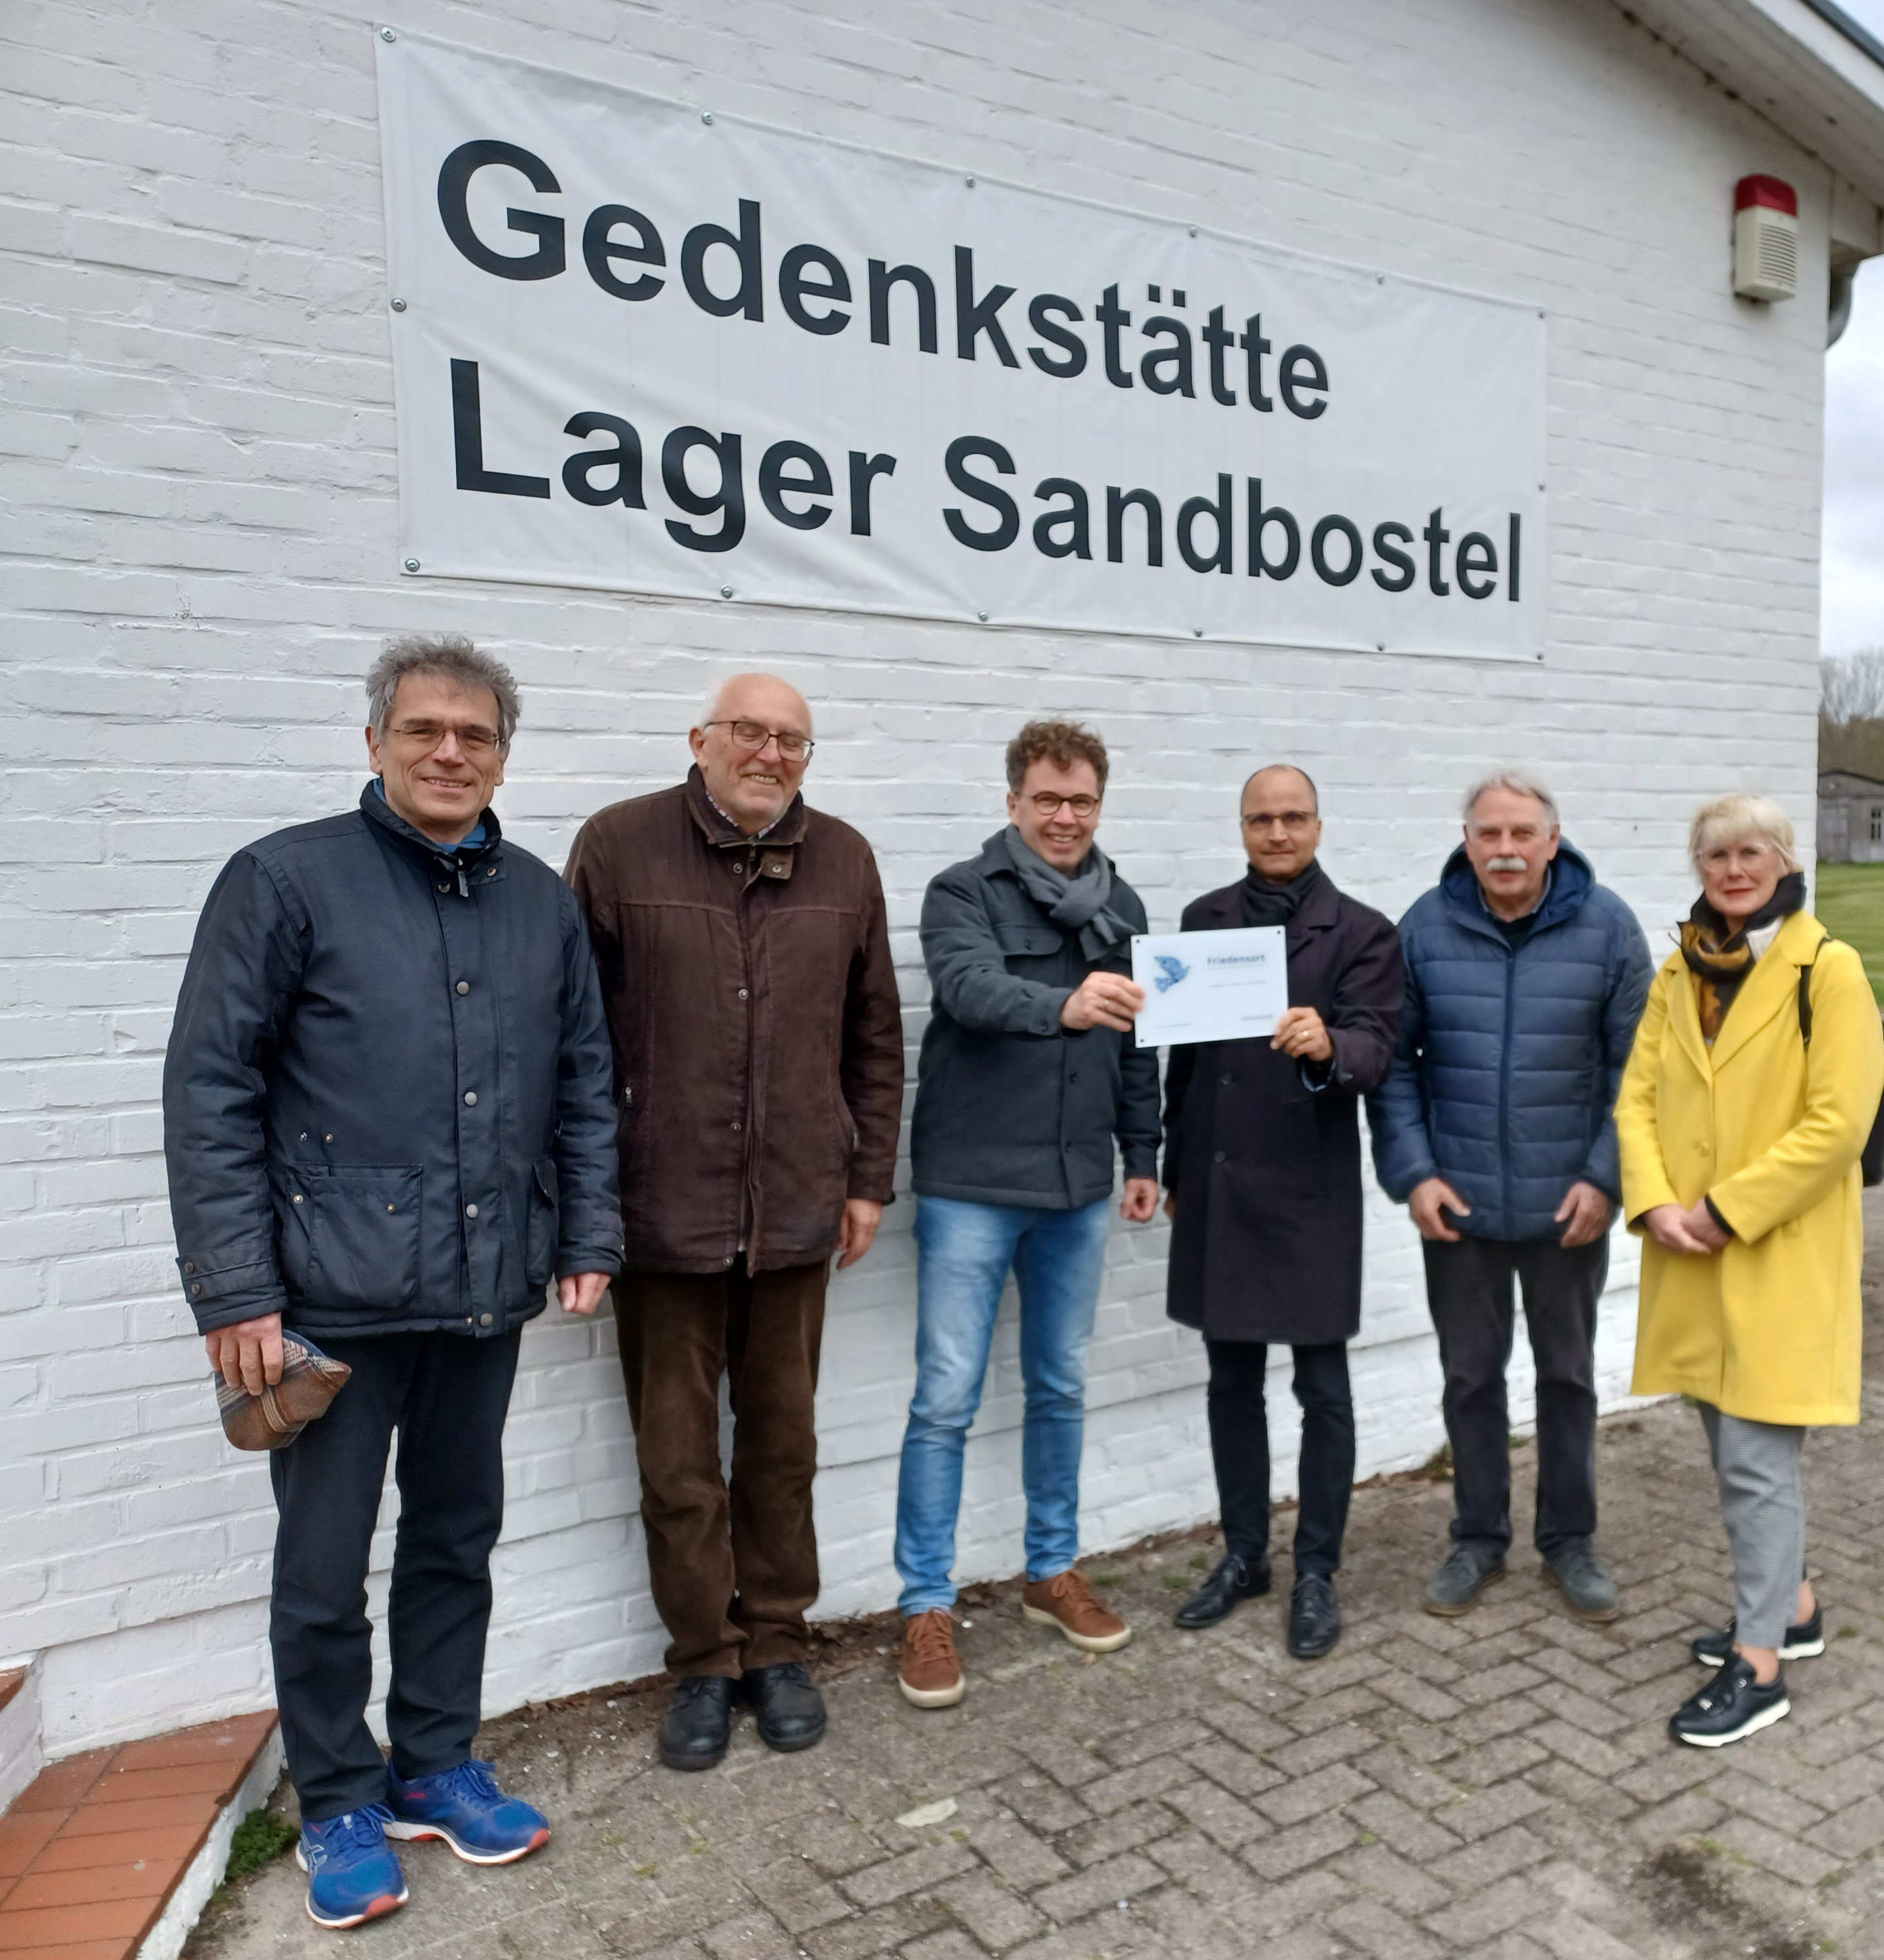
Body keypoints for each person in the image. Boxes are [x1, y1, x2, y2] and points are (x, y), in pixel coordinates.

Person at [164, 637, 621, 1931]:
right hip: (325, 1300)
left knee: (455, 1537)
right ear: (375, 743)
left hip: (485, 1288)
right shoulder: (282, 882)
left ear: (500, 754)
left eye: (473, 736)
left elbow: (584, 1080)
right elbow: (210, 1094)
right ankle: (338, 1801)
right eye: (422, 730)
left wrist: (586, 1236)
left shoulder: (539, 900)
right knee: (322, 1567)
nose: (447, 752)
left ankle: (435, 1763)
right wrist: (237, 1295)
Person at [565, 674, 904, 1773]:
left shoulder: (845, 860)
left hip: (801, 1205)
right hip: (661, 1211)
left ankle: (777, 1645)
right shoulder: (619, 848)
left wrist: (866, 1180)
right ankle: (704, 1664)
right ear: (701, 739)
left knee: (781, 1447)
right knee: (676, 1461)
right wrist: (584, 1206)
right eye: (750, 732)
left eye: (792, 740)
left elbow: (875, 1034)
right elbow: (571, 1041)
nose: (769, 753)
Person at [892, 719, 1161, 1708]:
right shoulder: (961, 893)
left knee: (1060, 1384)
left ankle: (1053, 1572)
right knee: (947, 1398)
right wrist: (1062, 1005)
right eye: (1046, 799)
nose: (1063, 816)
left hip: (1080, 1186)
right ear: (1013, 803)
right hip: (972, 1186)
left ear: (1099, 805)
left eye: (1080, 800)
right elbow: (965, 990)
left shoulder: (1123, 906)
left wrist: (1144, 1155)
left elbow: (1141, 1048)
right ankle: (924, 1604)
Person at [1614, 794, 1884, 1748]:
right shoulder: (1678, 972)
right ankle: (1796, 1606)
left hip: (1772, 1250)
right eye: (1716, 855)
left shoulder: (1830, 970)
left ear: (1783, 858)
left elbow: (1838, 1125)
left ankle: (1761, 1667)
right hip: (1689, 1248)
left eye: (1750, 852)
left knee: (1756, 1462)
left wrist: (1726, 1211)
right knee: (1727, 1439)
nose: (1733, 869)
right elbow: (1637, 1096)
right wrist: (1651, 1202)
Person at [1369, 770, 1654, 1623]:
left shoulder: (1608, 931)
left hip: (1569, 1208)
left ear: (1552, 840)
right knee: (1469, 1378)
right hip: (1458, 1211)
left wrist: (1606, 1178)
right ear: (1468, 842)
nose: (1504, 849)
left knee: (1567, 1377)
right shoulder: (1424, 929)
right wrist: (1415, 1175)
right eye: (1488, 834)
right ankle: (1477, 1539)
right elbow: (1391, 1070)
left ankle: (1569, 1541)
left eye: (1521, 833)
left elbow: (1641, 1073)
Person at [1163, 767, 1404, 1659]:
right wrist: (1170, 1158)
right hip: (1219, 1185)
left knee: (1321, 1390)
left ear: (1317, 825)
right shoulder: (1203, 920)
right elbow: (1183, 1064)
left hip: (1307, 1190)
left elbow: (1380, 1049)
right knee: (1231, 1385)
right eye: (1260, 819)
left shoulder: (1365, 933)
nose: (1276, 832)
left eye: (1291, 817)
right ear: (1242, 826)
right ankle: (1244, 1556)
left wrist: (1328, 1044)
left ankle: (1315, 1572)